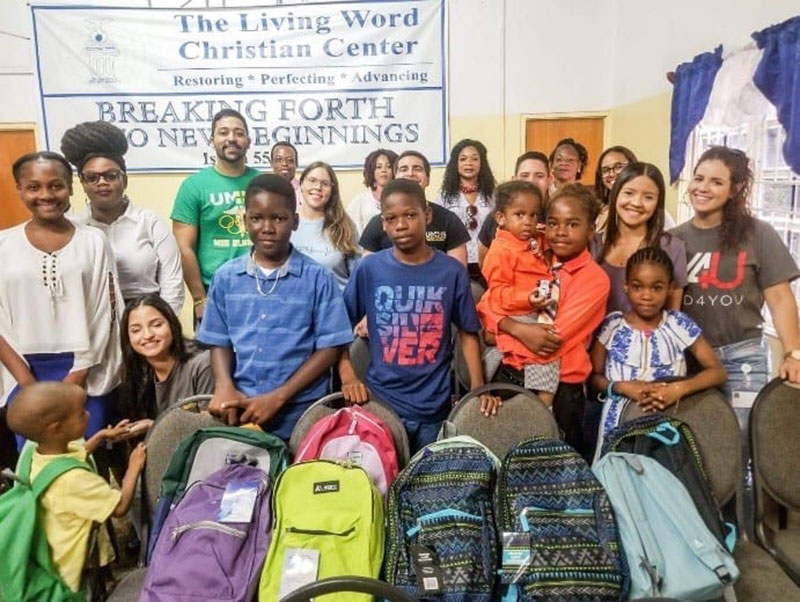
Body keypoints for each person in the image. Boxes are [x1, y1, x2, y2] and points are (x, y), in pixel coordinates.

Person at [338, 178, 501, 453]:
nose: (401, 225)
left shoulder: (451, 271)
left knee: (426, 484)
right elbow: (338, 329)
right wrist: (347, 376)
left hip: (433, 405)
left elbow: (467, 332)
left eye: (410, 215)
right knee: (383, 480)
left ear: (427, 215)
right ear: (383, 223)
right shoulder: (370, 269)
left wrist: (477, 388)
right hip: (379, 403)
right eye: (391, 218)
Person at [197, 174, 354, 440]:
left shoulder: (318, 278)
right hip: (242, 407)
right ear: (245, 221)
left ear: (294, 221)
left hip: (303, 412)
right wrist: (224, 385)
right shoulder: (226, 278)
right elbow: (218, 340)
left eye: (279, 219)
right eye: (257, 218)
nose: (267, 227)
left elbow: (330, 348)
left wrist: (278, 398)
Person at [0, 152, 122, 441]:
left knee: (83, 457)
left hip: (85, 372)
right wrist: (27, 383)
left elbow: (105, 312)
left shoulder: (93, 241)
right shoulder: (3, 244)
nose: (46, 195)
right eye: (34, 187)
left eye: (56, 185)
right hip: (22, 369)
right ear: (19, 189)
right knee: (34, 463)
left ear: (70, 187)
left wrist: (76, 376)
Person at [486, 184, 609, 456]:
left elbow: (550, 339)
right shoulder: (535, 253)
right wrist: (511, 326)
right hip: (511, 375)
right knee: (508, 459)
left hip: (563, 389)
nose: (561, 232)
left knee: (556, 466)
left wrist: (501, 327)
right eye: (553, 223)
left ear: (591, 230)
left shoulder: (594, 279)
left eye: (573, 224)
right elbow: (487, 302)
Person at [671, 146, 800, 393]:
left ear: (735, 188)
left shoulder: (758, 234)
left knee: (742, 431)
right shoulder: (673, 239)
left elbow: (781, 299)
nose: (703, 188)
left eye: (716, 182)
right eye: (699, 178)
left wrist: (793, 354)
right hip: (691, 359)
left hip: (744, 357)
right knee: (697, 432)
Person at [6, 382, 146, 593]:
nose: (88, 414)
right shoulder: (75, 480)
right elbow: (119, 508)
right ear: (57, 428)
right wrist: (134, 466)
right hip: (67, 576)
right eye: (81, 413)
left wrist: (98, 437)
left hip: (45, 555)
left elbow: (67, 459)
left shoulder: (34, 454)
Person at [589, 248, 726, 458]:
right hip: (616, 423)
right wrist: (621, 387)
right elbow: (593, 378)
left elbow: (717, 372)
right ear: (625, 286)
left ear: (670, 288)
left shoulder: (678, 325)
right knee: (617, 481)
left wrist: (678, 389)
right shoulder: (612, 326)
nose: (647, 295)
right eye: (637, 287)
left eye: (657, 288)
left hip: (666, 423)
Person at [61, 121, 184, 315]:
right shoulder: (75, 228)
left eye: (110, 175)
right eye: (92, 178)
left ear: (124, 179)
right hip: (93, 320)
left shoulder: (149, 223)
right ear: (83, 184)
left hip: (146, 318)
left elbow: (172, 284)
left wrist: (163, 323)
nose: (102, 182)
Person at [171, 109, 260, 322]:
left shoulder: (262, 183)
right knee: (211, 357)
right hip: (213, 296)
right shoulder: (193, 187)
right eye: (223, 132)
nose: (231, 138)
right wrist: (200, 299)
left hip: (261, 291)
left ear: (248, 140)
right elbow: (184, 248)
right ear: (212, 140)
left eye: (239, 133)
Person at [478, 180, 559, 406]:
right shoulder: (501, 250)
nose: (528, 222)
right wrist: (527, 298)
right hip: (512, 310)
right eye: (520, 215)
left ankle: (541, 407)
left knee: (551, 343)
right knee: (545, 349)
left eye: (534, 215)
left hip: (537, 308)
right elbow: (498, 294)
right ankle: (543, 407)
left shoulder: (533, 238)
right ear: (501, 218)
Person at [593, 163, 687, 314]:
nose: (636, 203)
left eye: (648, 197)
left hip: (650, 337)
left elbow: (673, 316)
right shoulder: (591, 244)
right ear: (616, 194)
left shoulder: (672, 247)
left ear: (658, 203)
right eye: (629, 193)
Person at [359, 150, 469, 266]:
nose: (410, 174)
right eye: (404, 169)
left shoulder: (449, 221)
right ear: (395, 178)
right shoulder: (377, 223)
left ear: (427, 179)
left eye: (417, 168)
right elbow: (368, 274)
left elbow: (458, 271)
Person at [120, 294, 214, 420]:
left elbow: (210, 424)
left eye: (157, 325)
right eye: (136, 330)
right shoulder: (138, 372)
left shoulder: (202, 363)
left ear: (172, 324)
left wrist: (156, 427)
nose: (147, 335)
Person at [292, 162, 360, 291]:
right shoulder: (287, 223)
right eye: (312, 180)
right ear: (301, 184)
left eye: (325, 184)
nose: (318, 187)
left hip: (337, 307)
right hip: (297, 307)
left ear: (332, 190)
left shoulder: (344, 225)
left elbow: (357, 279)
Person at [433, 139, 496, 277]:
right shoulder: (443, 196)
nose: (469, 163)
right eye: (463, 159)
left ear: (482, 163)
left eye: (474, 159)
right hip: (455, 260)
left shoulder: (493, 194)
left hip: (487, 260)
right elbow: (437, 230)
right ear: (456, 164)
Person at [478, 151, 551, 265]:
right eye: (525, 175)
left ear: (549, 180)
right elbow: (484, 262)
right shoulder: (497, 217)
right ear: (514, 179)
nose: (531, 181)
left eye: (539, 176)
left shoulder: (558, 215)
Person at [347, 148, 398, 234]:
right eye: (379, 167)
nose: (383, 170)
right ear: (372, 171)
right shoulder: (360, 201)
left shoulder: (402, 198)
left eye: (388, 166)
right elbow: (350, 230)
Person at [594, 145, 638, 233]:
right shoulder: (598, 210)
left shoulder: (641, 207)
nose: (611, 174)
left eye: (618, 167)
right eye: (605, 170)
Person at [270, 141, 303, 207]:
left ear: (296, 164)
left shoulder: (304, 191)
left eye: (290, 160)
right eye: (279, 159)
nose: (284, 164)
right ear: (271, 163)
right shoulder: (265, 190)